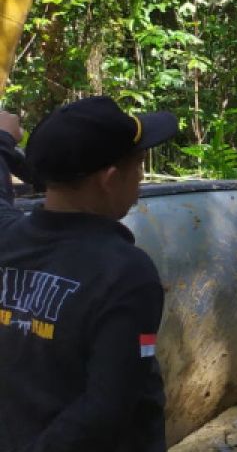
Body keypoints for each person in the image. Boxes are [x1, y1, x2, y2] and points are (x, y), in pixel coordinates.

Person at [0, 96, 178, 451]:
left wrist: (2, 141)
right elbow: (106, 409)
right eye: (139, 164)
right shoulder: (125, 273)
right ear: (109, 179)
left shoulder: (7, 238)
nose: (141, 179)